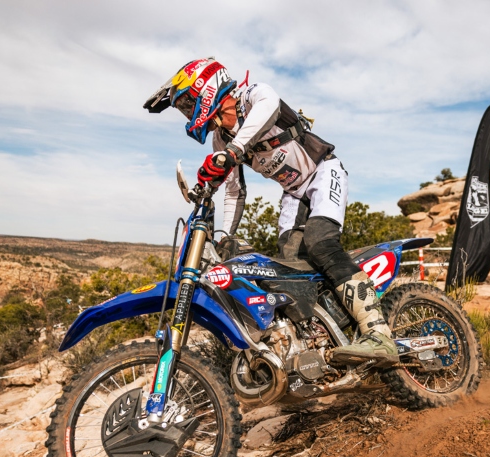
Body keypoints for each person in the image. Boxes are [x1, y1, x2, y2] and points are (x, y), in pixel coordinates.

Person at [143, 58, 398, 365]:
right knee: (289, 269)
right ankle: (323, 338)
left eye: (186, 104)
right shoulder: (220, 138)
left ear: (205, 89)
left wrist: (233, 152)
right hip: (293, 193)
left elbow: (271, 105)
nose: (187, 113)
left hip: (322, 172)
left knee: (321, 243)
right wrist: (226, 235)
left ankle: (378, 333)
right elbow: (235, 190)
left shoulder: (252, 97)